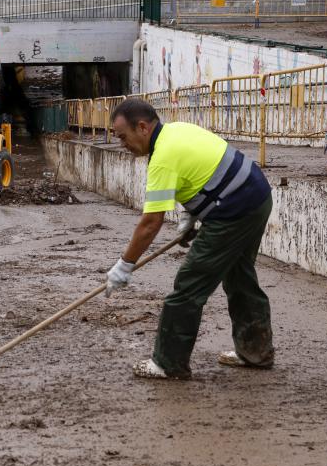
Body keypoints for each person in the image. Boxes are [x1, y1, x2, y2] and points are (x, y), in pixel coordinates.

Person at [105, 98, 275, 379]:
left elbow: (150, 222)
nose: (122, 143)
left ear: (143, 127)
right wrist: (194, 213)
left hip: (235, 209)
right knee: (239, 277)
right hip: (256, 195)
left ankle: (167, 363)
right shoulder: (176, 131)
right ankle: (256, 352)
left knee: (188, 286)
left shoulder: (162, 158)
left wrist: (125, 265)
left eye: (123, 136)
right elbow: (203, 171)